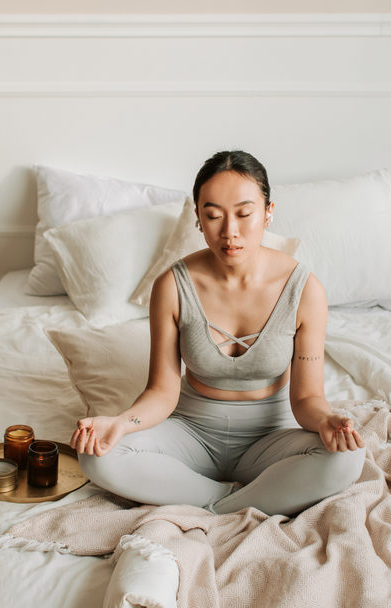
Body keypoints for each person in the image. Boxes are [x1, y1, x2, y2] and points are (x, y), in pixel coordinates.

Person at [70, 150, 366, 516]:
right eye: (213, 216)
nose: (230, 232)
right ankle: (236, 501)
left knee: (348, 459)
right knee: (97, 456)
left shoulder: (305, 290)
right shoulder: (172, 286)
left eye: (244, 214)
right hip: (191, 433)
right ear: (197, 217)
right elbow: (161, 391)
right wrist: (119, 423)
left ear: (268, 211)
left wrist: (327, 420)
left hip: (270, 438)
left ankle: (206, 501)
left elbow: (306, 398)